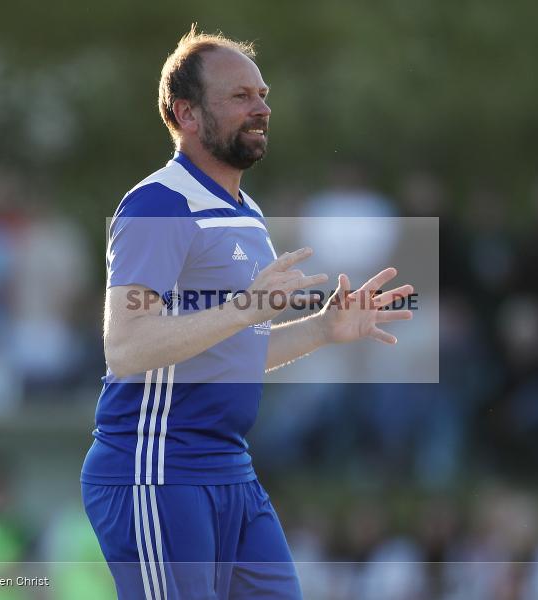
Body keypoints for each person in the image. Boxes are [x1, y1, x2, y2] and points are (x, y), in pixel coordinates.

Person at [80, 26, 414, 599]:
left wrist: (322, 329)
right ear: (185, 113)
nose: (260, 108)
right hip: (158, 468)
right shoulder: (159, 205)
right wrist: (243, 308)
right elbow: (127, 348)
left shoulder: (245, 210)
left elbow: (230, 353)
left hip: (229, 469)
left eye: (262, 95)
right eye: (240, 97)